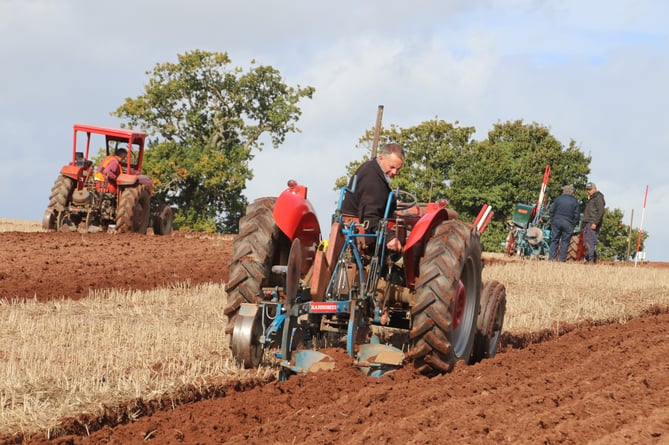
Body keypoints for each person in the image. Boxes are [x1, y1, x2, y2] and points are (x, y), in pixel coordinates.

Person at [340, 143, 405, 251]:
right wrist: (389, 237)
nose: (394, 172)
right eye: (392, 167)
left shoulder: (372, 169)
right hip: (358, 231)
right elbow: (370, 217)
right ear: (381, 158)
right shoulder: (373, 180)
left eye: (398, 169)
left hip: (353, 225)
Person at [548, 184, 580, 262]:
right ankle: (562, 260)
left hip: (556, 221)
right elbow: (577, 215)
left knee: (554, 240)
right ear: (572, 192)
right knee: (565, 242)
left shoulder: (558, 199)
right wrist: (574, 224)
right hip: (568, 223)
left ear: (564, 191)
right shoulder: (575, 202)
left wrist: (553, 219)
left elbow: (551, 211)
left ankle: (552, 259)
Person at [582, 182, 605, 263]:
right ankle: (591, 258)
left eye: (590, 189)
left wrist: (595, 223)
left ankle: (590, 260)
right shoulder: (591, 198)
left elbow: (601, 211)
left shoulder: (598, 197)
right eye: (587, 189)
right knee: (586, 242)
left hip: (592, 222)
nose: (588, 191)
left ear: (595, 189)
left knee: (590, 242)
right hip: (587, 222)